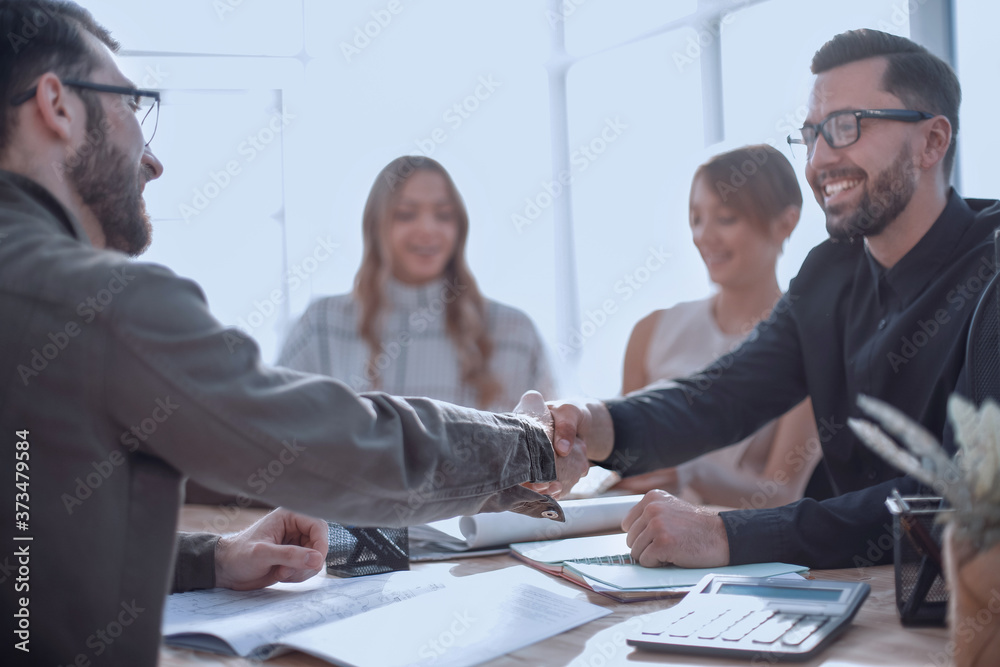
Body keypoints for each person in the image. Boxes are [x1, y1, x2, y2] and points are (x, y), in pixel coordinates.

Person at [0, 2, 586, 663]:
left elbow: (24, 544)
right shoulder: (99, 303)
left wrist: (212, 557)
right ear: (56, 103)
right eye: (133, 104)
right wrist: (529, 447)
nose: (152, 157)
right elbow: (330, 442)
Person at [545, 28, 999, 570]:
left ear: (932, 141)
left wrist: (727, 534)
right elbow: (719, 396)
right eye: (811, 135)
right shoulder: (830, 272)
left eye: (847, 127)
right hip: (856, 598)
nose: (819, 160)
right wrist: (590, 424)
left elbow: (967, 495)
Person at [615, 145, 821, 508]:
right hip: (643, 537)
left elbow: (784, 495)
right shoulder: (650, 332)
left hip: (743, 551)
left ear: (786, 223)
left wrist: (693, 473)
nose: (704, 236)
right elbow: (625, 468)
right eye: (696, 218)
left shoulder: (809, 344)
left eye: (726, 218)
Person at [278, 155, 553, 411]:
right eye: (406, 214)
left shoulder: (514, 332)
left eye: (444, 215)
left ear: (460, 228)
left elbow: (552, 451)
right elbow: (271, 428)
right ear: (376, 226)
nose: (427, 229)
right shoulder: (322, 326)